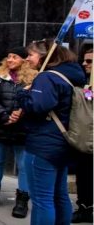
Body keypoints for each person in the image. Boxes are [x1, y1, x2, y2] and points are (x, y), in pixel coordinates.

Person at [17, 39, 86, 225]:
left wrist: (23, 94)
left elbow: (37, 106)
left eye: (31, 54)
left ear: (45, 56)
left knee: (42, 199)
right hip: (64, 142)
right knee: (59, 195)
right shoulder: (74, 75)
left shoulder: (47, 77)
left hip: (43, 144)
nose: (28, 58)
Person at [0, 47, 37, 218]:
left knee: (23, 166)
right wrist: (5, 115)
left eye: (14, 57)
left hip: (22, 130)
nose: (10, 60)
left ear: (24, 60)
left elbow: (34, 102)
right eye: (8, 57)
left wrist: (20, 115)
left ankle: (21, 202)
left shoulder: (34, 79)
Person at [72, 48, 93, 223]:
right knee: (84, 174)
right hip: (84, 140)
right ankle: (84, 206)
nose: (85, 64)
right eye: (85, 61)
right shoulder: (85, 84)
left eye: (90, 61)